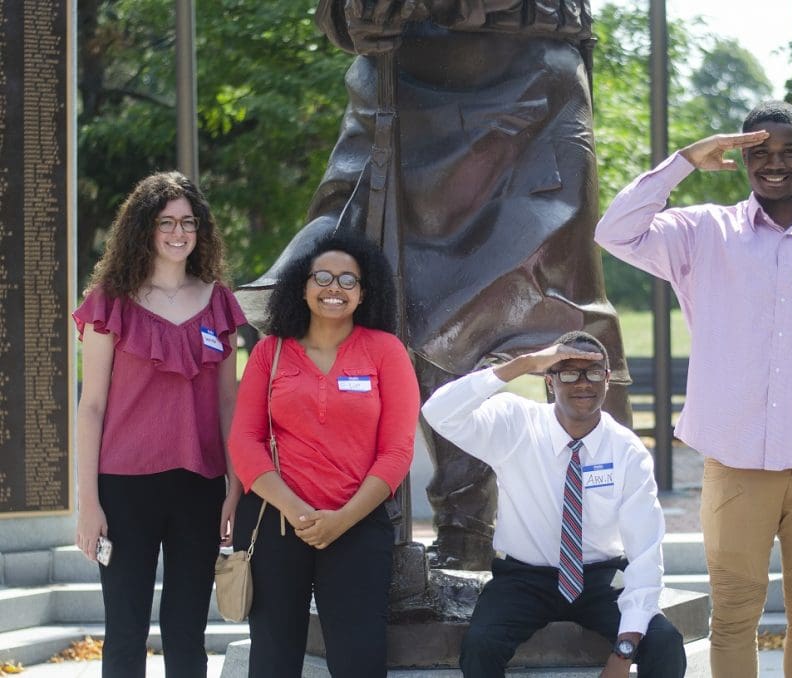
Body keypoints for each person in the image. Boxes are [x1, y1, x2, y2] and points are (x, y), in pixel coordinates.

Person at [234, 0, 633, 569]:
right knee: (409, 308)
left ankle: (606, 541)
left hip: (531, 77)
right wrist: (359, 15)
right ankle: (456, 529)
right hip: (402, 81)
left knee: (567, 307)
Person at [594, 100, 792, 677]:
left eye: (788, 152)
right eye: (760, 152)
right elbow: (614, 230)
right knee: (733, 619)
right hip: (734, 468)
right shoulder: (702, 233)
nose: (774, 164)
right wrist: (686, 159)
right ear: (742, 156)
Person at [422, 331, 686, 678]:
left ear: (607, 380)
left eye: (593, 372)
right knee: (481, 645)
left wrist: (624, 651)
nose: (582, 383)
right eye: (568, 372)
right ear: (549, 380)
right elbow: (438, 412)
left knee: (666, 643)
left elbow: (646, 554)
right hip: (523, 579)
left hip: (599, 580)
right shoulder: (515, 425)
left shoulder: (626, 451)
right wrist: (523, 364)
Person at [73, 171, 247, 677]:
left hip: (199, 487)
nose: (178, 233)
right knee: (124, 632)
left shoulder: (218, 301)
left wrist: (235, 486)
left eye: (188, 222)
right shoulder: (110, 301)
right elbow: (92, 407)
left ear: (201, 230)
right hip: (124, 487)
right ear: (143, 228)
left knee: (187, 630)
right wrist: (88, 504)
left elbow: (228, 404)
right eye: (166, 221)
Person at [227, 229, 419, 677]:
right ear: (303, 284)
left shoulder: (385, 352)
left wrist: (341, 520)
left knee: (359, 663)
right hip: (275, 521)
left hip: (356, 526)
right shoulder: (269, 352)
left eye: (348, 280)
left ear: (364, 291)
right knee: (273, 662)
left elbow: (397, 451)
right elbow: (244, 442)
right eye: (324, 277)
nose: (335, 287)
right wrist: (297, 512)